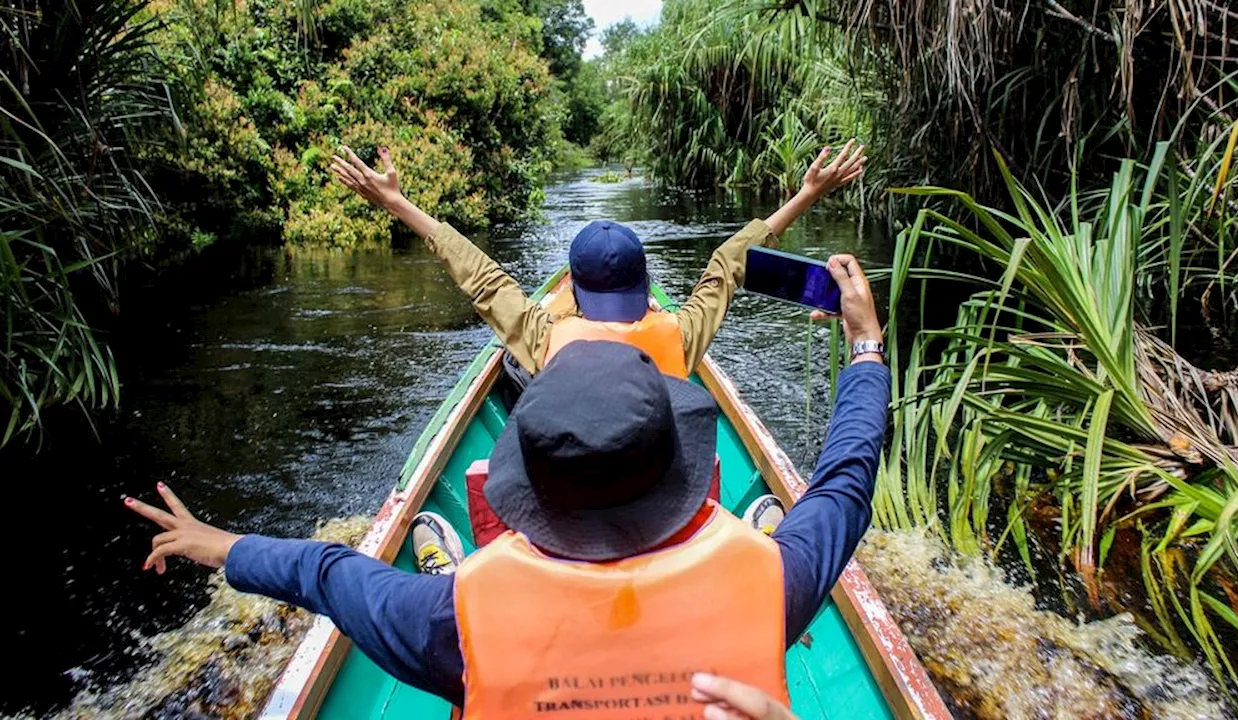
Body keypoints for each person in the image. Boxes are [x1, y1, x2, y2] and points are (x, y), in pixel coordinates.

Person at [126, 253, 888, 718]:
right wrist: (863, 342)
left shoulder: (454, 620)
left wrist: (223, 546)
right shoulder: (772, 583)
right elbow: (846, 480)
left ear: (529, 492)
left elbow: (328, 574)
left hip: (464, 597)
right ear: (679, 468)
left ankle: (444, 553)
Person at [328, 141, 868, 379]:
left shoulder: (545, 337)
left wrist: (396, 202)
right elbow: (731, 262)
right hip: (660, 496)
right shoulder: (680, 335)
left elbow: (483, 279)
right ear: (645, 283)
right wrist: (806, 194)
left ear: (576, 294)